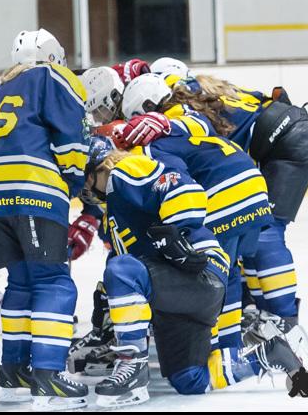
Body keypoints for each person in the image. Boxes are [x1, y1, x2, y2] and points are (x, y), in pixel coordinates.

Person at [81, 138, 308, 407]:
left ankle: (131, 366)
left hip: (199, 271)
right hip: (177, 290)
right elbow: (131, 268)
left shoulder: (125, 171)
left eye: (82, 180)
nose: (82, 190)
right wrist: (106, 297)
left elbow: (183, 186)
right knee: (189, 379)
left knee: (121, 268)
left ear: (94, 169)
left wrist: (180, 232)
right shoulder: (114, 211)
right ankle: (270, 354)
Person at [0, 28, 90, 410]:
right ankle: (48, 375)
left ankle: (15, 371)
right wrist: (74, 181)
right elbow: (71, 136)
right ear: (54, 56)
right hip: (29, 186)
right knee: (54, 281)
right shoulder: (54, 75)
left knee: (20, 281)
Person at [116, 73, 274, 351]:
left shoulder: (157, 141)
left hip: (225, 197)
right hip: (254, 189)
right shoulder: (192, 117)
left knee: (211, 277)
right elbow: (193, 126)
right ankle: (230, 346)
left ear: (146, 110)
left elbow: (174, 179)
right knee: (229, 272)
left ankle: (216, 348)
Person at [193, 74, 308, 334]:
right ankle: (264, 312)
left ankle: (284, 319)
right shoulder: (204, 90)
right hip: (286, 141)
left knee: (266, 231)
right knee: (252, 228)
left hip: (289, 145)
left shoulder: (183, 108)